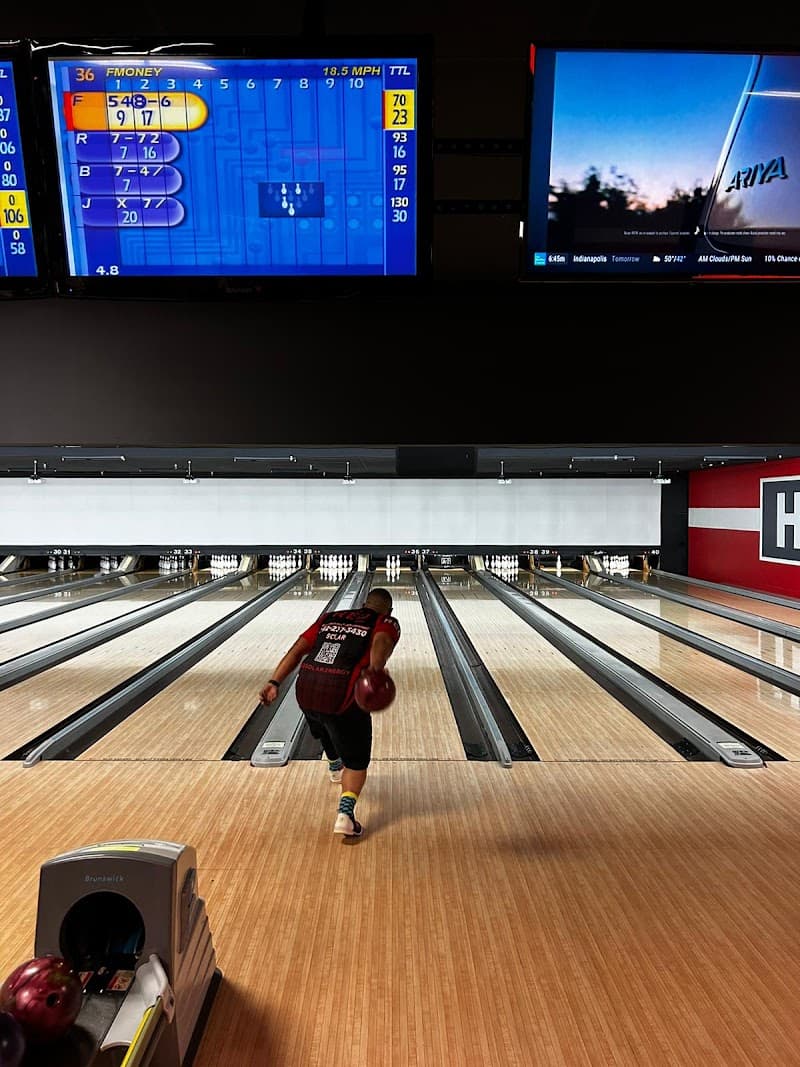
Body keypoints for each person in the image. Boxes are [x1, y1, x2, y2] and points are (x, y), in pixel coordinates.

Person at [259, 587, 400, 838]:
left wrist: (274, 682)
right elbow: (381, 640)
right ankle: (345, 815)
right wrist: (375, 670)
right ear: (389, 610)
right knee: (356, 762)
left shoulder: (330, 618)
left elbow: (297, 649)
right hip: (343, 695)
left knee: (322, 722)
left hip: (306, 688)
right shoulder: (386, 621)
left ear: (363, 603)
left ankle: (335, 766)